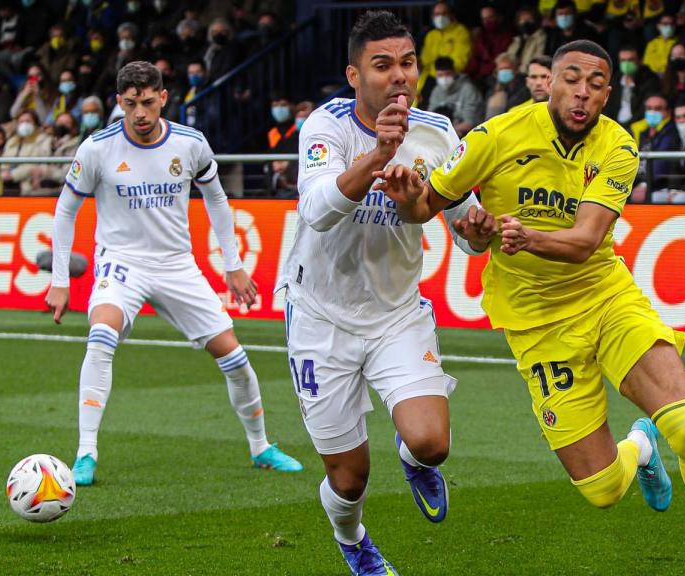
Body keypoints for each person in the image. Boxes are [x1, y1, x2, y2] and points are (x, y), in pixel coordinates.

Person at [374, 39, 685, 576]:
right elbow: (424, 210)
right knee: (601, 489)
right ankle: (641, 450)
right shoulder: (496, 135)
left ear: (608, 95)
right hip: (535, 323)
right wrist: (411, 198)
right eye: (571, 78)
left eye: (596, 84)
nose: (582, 93)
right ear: (549, 82)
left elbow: (583, 241)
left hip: (605, 299)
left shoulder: (617, 147)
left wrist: (518, 235)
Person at [281, 11, 493, 575]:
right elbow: (317, 211)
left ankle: (411, 456)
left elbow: (466, 232)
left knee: (431, 443)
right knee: (349, 479)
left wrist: (477, 230)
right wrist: (377, 156)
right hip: (320, 317)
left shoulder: (438, 132)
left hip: (396, 313)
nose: (398, 77)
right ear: (354, 75)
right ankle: (352, 540)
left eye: (407, 64)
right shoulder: (325, 127)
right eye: (382, 66)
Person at [45, 61, 303, 486]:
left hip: (177, 264)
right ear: (119, 103)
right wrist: (59, 280)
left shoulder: (190, 144)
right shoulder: (97, 148)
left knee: (234, 357)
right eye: (131, 104)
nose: (140, 113)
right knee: (102, 334)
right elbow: (66, 209)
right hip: (121, 262)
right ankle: (85, 452)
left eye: (148, 102)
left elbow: (217, 201)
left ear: (163, 98)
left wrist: (233, 266)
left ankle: (261, 447)